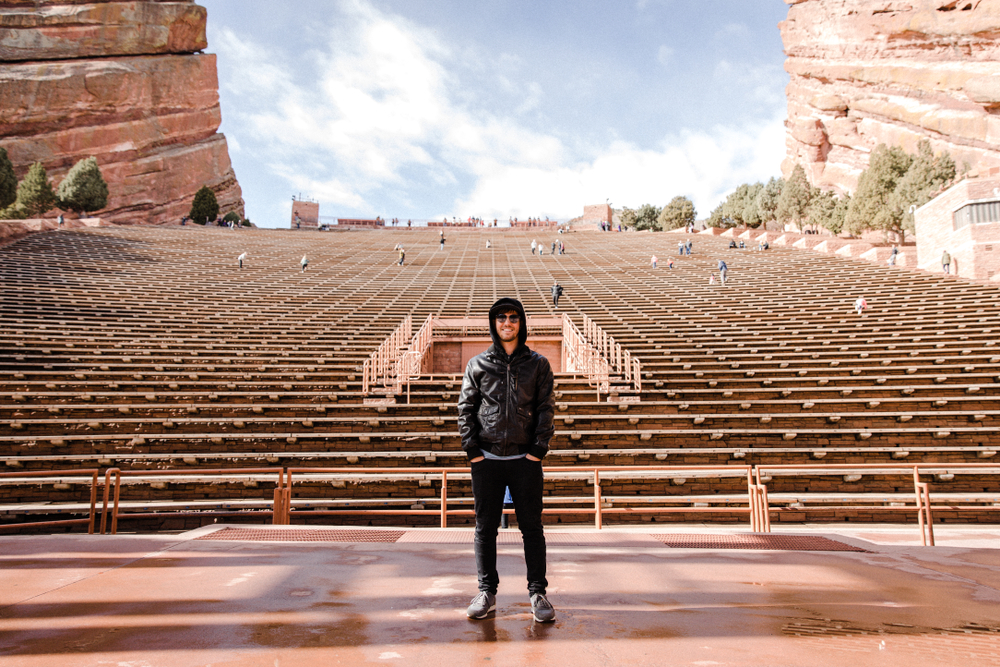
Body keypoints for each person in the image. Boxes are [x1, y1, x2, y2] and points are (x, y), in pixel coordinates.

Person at [458, 297, 556, 623]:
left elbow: (545, 409)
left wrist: (537, 451)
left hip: (524, 460)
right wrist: (473, 452)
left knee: (532, 528)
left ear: (521, 322)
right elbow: (466, 410)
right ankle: (487, 592)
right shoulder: (478, 364)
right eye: (501, 317)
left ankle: (538, 592)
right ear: (494, 323)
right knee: (485, 529)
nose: (507, 323)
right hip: (486, 459)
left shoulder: (538, 364)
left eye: (513, 317)